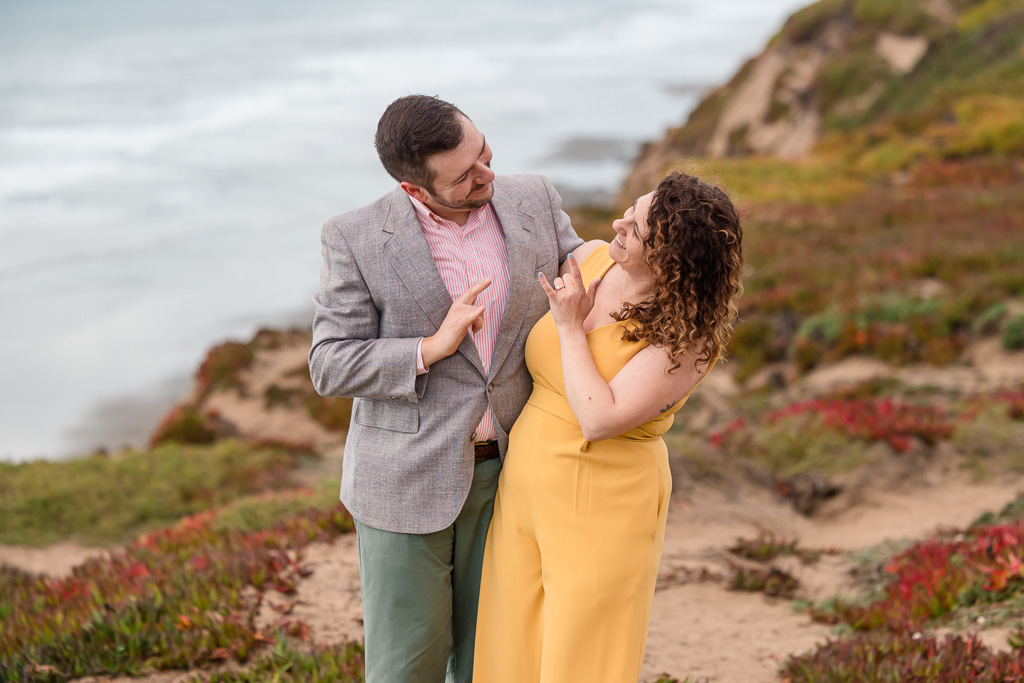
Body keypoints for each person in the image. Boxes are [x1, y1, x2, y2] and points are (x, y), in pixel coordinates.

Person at [308, 95, 582, 683]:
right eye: (464, 175)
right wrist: (428, 348)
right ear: (416, 189)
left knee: (494, 659)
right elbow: (328, 364)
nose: (487, 174)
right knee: (408, 666)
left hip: (514, 472)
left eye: (482, 150)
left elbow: (588, 273)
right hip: (403, 481)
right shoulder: (353, 236)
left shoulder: (534, 196)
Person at [473, 171, 744, 682]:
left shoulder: (688, 337)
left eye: (636, 227)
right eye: (630, 209)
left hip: (605, 500)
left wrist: (572, 328)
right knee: (511, 644)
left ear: (668, 254)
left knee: (582, 654)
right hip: (526, 488)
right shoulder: (591, 256)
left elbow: (600, 419)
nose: (618, 222)